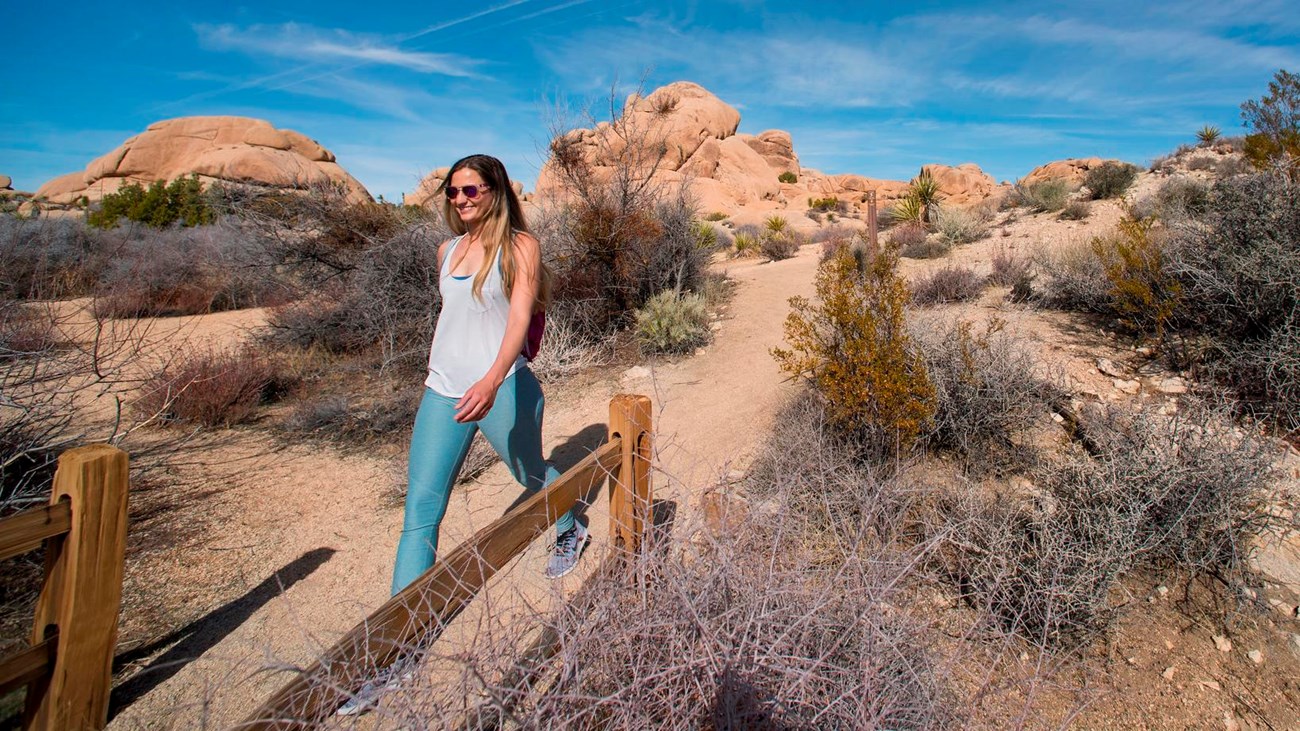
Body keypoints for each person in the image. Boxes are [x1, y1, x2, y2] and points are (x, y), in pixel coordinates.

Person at [390, 153, 587, 595]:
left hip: (503, 385)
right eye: (453, 191)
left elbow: (518, 319)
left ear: (494, 192)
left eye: (471, 190)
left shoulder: (521, 247)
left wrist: (493, 378)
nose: (460, 199)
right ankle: (397, 639)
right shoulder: (447, 251)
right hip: (443, 389)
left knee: (530, 474)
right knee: (420, 507)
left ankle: (571, 528)